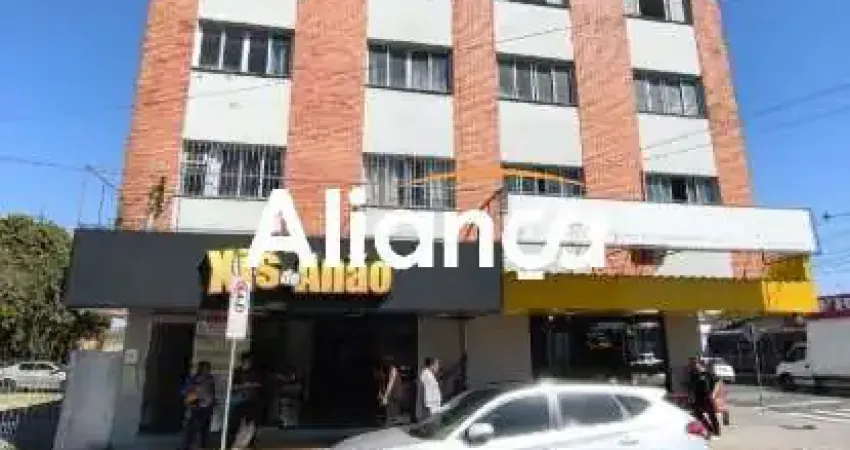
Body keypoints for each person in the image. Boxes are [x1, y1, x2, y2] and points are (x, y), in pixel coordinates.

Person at [227, 353, 263, 449]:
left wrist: (251, 385)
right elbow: (232, 386)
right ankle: (234, 442)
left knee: (251, 423)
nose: (248, 363)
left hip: (252, 400)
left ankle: (250, 442)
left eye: (249, 362)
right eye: (246, 361)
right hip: (239, 401)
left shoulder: (255, 373)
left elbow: (259, 384)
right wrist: (241, 386)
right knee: (236, 423)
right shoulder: (237, 372)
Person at [179, 360, 216, 450]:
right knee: (191, 430)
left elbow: (203, 393)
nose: (204, 370)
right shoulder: (194, 378)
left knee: (199, 430)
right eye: (202, 368)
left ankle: (198, 446)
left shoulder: (209, 380)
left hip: (203, 408)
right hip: (194, 408)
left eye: (206, 369)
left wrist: (192, 394)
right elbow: (184, 391)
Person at [686, 356, 721, 438]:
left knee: (711, 414)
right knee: (697, 413)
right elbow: (692, 386)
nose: (692, 365)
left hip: (706, 396)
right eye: (691, 364)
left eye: (694, 363)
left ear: (698, 364)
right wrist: (691, 395)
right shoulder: (692, 373)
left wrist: (713, 393)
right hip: (697, 397)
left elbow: (716, 381)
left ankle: (716, 431)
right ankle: (710, 429)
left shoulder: (705, 373)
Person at [377, 356, 402, 426]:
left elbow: (391, 383)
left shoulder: (393, 370)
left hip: (393, 393)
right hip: (391, 392)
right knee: (388, 406)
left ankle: (389, 421)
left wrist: (386, 394)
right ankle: (388, 420)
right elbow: (386, 382)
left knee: (390, 406)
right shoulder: (387, 369)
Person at [418, 357, 442, 422]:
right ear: (432, 365)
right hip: (431, 406)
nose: (438, 367)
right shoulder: (426, 375)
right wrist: (428, 407)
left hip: (433, 405)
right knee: (431, 423)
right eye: (437, 364)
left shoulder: (430, 374)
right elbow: (425, 391)